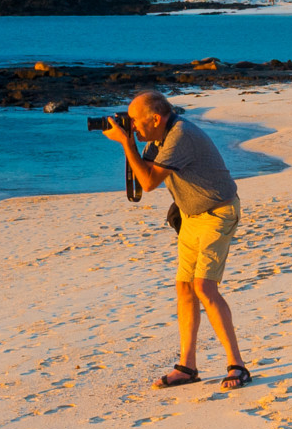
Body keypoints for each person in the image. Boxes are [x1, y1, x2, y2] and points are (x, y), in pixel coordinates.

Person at [103, 92, 250, 389]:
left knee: (204, 286)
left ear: (155, 119)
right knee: (184, 287)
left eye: (134, 121)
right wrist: (130, 142)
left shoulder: (181, 135)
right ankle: (188, 367)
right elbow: (144, 176)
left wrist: (126, 142)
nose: (131, 125)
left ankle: (238, 365)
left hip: (218, 213)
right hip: (191, 215)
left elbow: (147, 182)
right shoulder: (157, 138)